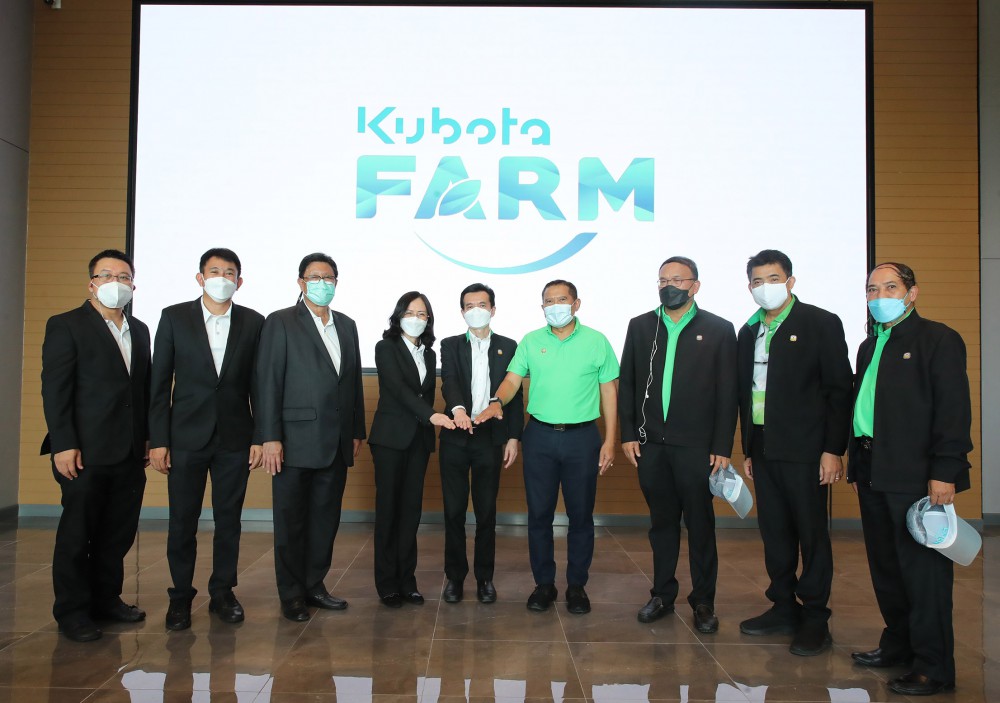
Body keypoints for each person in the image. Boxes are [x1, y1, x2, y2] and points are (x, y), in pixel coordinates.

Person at [847, 262, 972, 696]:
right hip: (872, 469)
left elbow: (953, 411)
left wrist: (945, 471)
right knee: (886, 568)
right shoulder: (869, 345)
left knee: (924, 575)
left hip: (918, 477)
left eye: (890, 287)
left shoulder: (938, 339)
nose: (879, 296)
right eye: (872, 289)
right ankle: (898, 645)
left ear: (911, 293)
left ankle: (933, 667)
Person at [474, 280, 619, 615]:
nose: (555, 306)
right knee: (539, 514)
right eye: (549, 301)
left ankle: (577, 586)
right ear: (542, 308)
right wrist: (497, 401)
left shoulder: (597, 341)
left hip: (582, 438)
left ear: (576, 304)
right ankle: (544, 584)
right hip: (539, 436)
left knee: (580, 515)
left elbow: (609, 390)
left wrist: (610, 439)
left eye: (562, 299)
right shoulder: (531, 341)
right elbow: (512, 379)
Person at [736, 249, 852, 656]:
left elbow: (839, 390)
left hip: (807, 450)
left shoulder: (819, 323)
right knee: (775, 532)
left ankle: (816, 618)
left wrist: (832, 449)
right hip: (763, 447)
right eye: (757, 281)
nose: (764, 287)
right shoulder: (748, 331)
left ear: (790, 281)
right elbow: (747, 394)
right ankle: (783, 607)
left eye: (773, 278)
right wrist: (749, 449)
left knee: (811, 534)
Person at [619, 257, 737, 633]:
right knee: (662, 525)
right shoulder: (641, 326)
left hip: (697, 448)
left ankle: (703, 601)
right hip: (651, 446)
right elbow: (629, 384)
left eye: (677, 280)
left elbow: (728, 392)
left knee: (700, 525)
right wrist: (627, 434)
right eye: (662, 280)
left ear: (695, 286)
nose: (668, 286)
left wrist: (722, 445)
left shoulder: (719, 329)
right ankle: (662, 595)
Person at [149, 248, 264, 630]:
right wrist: (158, 440)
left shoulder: (253, 322)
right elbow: (159, 384)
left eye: (229, 272)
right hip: (185, 437)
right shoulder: (174, 317)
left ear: (239, 281)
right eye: (214, 271)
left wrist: (261, 436)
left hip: (235, 437)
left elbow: (259, 385)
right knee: (182, 521)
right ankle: (180, 597)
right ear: (200, 278)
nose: (222, 278)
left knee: (229, 520)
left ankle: (223, 592)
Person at [40, 249, 151, 642]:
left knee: (117, 532)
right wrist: (64, 443)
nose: (115, 283)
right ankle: (72, 611)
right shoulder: (66, 325)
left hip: (129, 450)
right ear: (92, 284)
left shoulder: (140, 330)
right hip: (83, 452)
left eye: (123, 277)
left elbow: (141, 390)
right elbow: (55, 389)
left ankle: (106, 599)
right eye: (107, 276)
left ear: (133, 285)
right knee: (78, 534)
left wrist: (147, 437)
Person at [255, 252, 366, 621]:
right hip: (293, 442)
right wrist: (270, 436)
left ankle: (314, 585)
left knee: (324, 520)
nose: (322, 283)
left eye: (328, 277)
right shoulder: (281, 321)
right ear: (301, 282)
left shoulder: (347, 324)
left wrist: (356, 430)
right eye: (315, 277)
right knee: (291, 522)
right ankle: (291, 595)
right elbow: (268, 381)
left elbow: (352, 381)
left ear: (336, 282)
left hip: (336, 441)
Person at [368, 292, 456, 607]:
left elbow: (425, 393)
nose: (415, 318)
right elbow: (397, 389)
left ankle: (407, 581)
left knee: (410, 513)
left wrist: (431, 418)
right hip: (390, 440)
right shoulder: (386, 347)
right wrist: (432, 416)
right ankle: (387, 584)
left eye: (422, 314)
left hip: (418, 442)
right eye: (409, 312)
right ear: (398, 316)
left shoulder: (429, 354)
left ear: (428, 320)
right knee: (388, 512)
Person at [439, 283, 524, 604]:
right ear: (462, 312)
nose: (476, 310)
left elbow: (514, 394)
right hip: (455, 434)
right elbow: (449, 380)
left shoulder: (508, 346)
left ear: (493, 309)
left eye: (482, 305)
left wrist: (513, 436)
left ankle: (485, 578)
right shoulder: (450, 344)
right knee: (454, 512)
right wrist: (458, 409)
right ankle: (455, 577)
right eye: (469, 306)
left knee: (486, 512)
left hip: (490, 437)